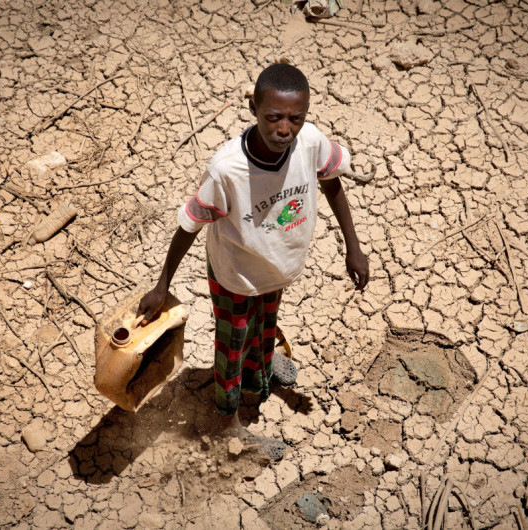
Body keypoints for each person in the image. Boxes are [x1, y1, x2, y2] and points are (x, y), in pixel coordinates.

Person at [137, 62, 369, 460]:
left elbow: (332, 183)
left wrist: (354, 246)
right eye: (273, 117)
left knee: (267, 324)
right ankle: (229, 423)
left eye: (296, 118)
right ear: (254, 111)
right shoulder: (228, 170)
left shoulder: (310, 143)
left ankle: (260, 376)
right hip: (235, 276)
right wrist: (162, 286)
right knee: (232, 345)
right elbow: (189, 226)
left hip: (275, 268)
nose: (285, 129)